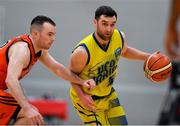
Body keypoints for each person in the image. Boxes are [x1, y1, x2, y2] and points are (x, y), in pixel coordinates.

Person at [0, 15, 96, 125]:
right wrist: (26, 108)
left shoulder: (38, 50)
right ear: (36, 34)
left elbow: (57, 69)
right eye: (49, 34)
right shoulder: (22, 50)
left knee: (33, 118)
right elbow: (11, 80)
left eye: (54, 35)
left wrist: (82, 81)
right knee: (33, 117)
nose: (53, 38)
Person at [69, 5, 152, 125]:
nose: (109, 29)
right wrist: (82, 96)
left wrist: (148, 57)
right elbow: (70, 75)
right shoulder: (83, 51)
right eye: (104, 24)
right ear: (95, 22)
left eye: (112, 24)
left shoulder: (118, 36)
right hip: (88, 98)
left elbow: (125, 51)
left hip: (108, 94)